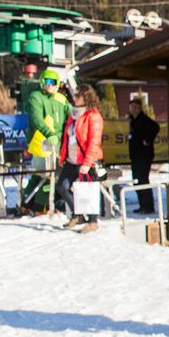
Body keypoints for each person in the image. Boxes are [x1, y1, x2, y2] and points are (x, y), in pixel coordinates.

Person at [20, 68, 70, 213]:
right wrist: (49, 134)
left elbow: (70, 112)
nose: (50, 85)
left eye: (53, 82)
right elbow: (37, 119)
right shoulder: (35, 97)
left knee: (43, 175)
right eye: (46, 82)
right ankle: (40, 207)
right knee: (47, 176)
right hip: (41, 144)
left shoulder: (60, 98)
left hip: (57, 145)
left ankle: (28, 204)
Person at [57, 84, 105, 232]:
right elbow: (68, 137)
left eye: (78, 96)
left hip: (86, 160)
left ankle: (93, 221)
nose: (75, 99)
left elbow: (94, 141)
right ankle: (77, 214)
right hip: (72, 159)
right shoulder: (74, 115)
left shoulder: (93, 116)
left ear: (86, 97)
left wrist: (88, 162)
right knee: (62, 187)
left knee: (89, 190)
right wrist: (63, 155)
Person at [127, 98, 160, 214]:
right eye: (132, 107)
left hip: (144, 155)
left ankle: (148, 206)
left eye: (136, 107)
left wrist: (148, 140)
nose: (134, 109)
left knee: (143, 180)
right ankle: (142, 205)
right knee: (136, 181)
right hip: (135, 155)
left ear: (140, 108)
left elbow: (156, 127)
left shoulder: (144, 120)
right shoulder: (132, 120)